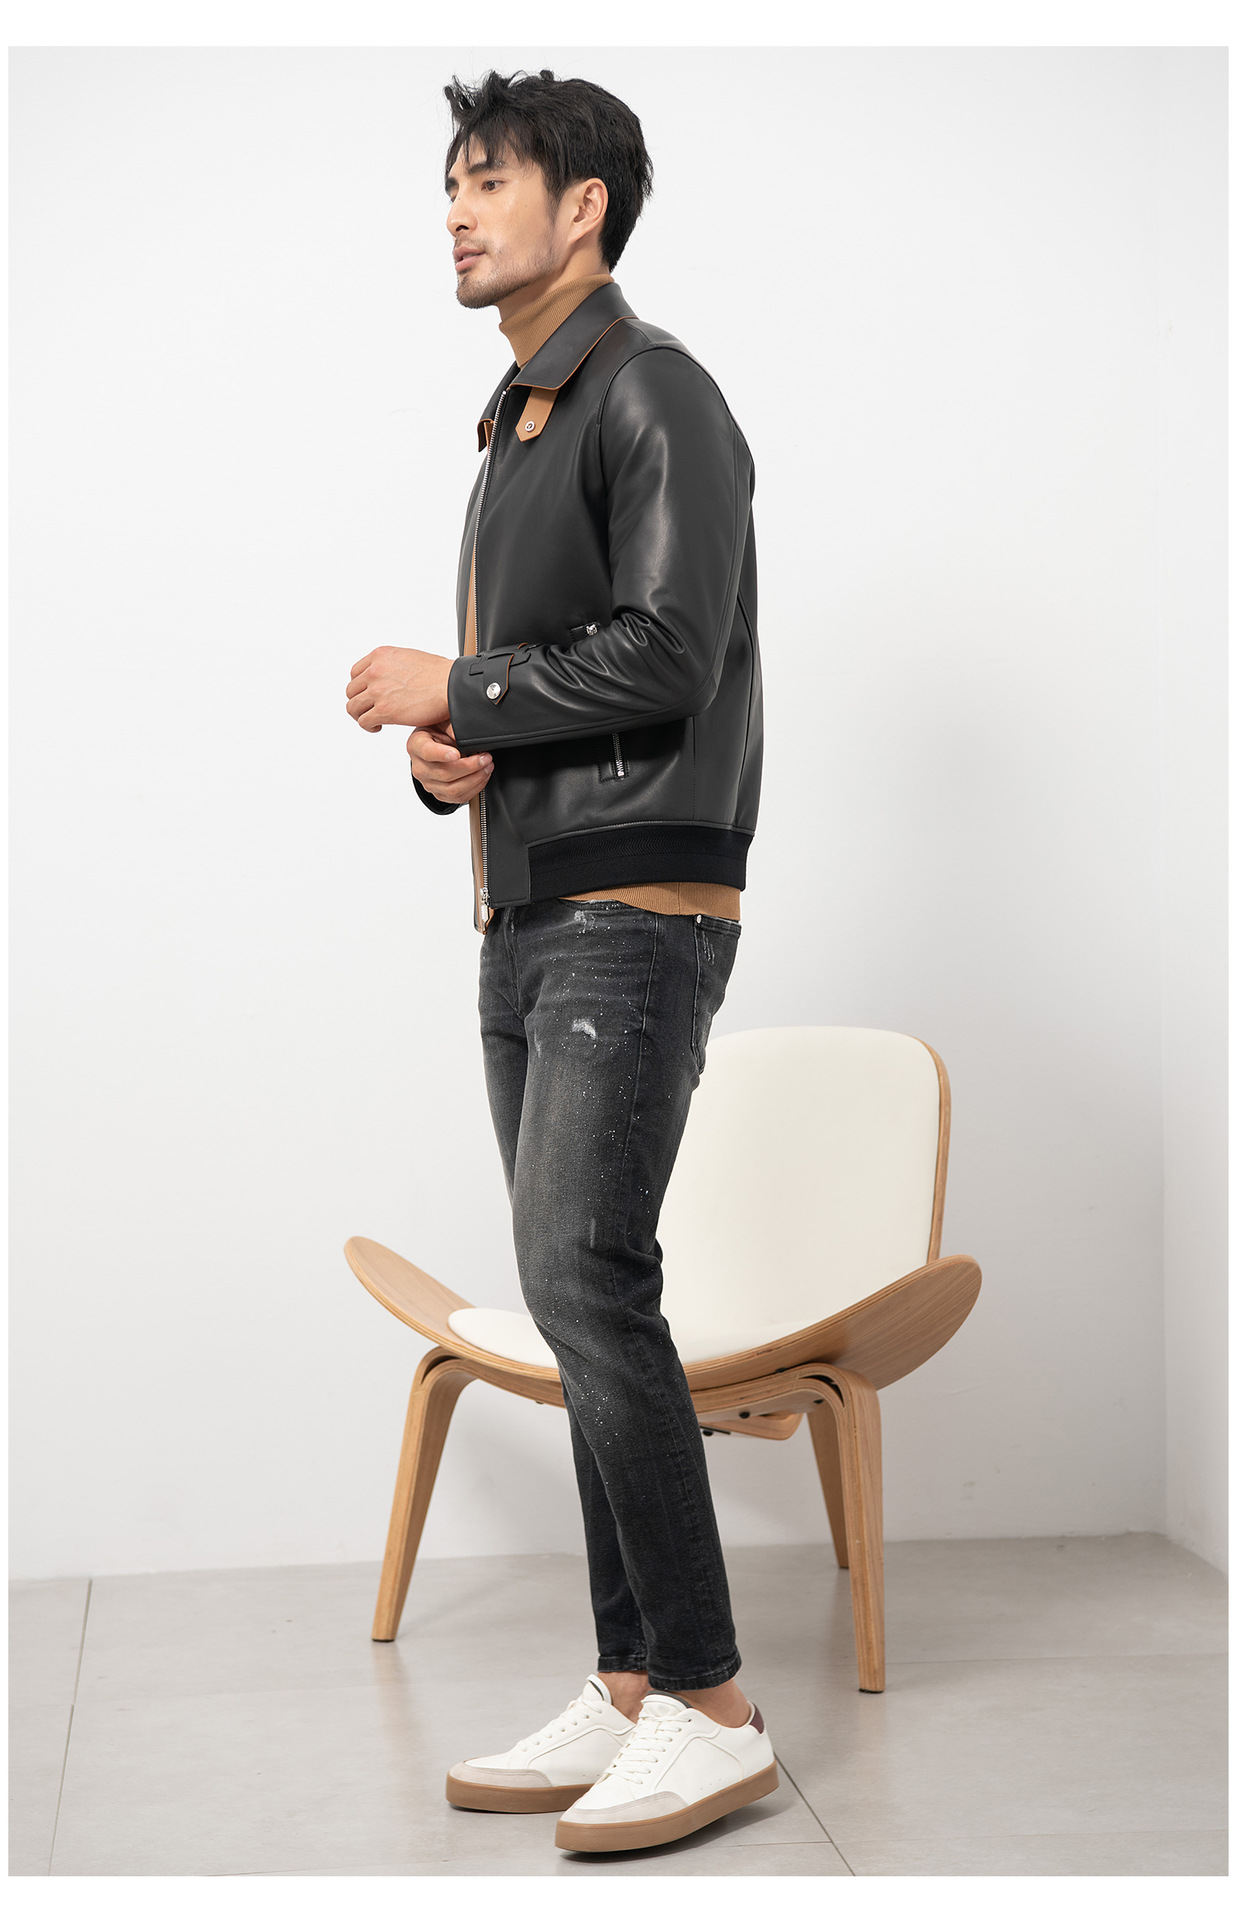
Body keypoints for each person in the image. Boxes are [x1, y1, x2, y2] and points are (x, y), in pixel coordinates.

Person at [344, 67, 771, 1855]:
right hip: (529, 907)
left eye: (489, 178)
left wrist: (465, 686)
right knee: (575, 1282)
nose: (455, 210)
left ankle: (716, 1708)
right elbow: (566, 676)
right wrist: (459, 757)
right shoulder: (518, 421)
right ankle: (629, 1681)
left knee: (587, 1280)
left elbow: (672, 646)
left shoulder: (651, 388)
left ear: (582, 206)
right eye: (448, 182)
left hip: (632, 909)